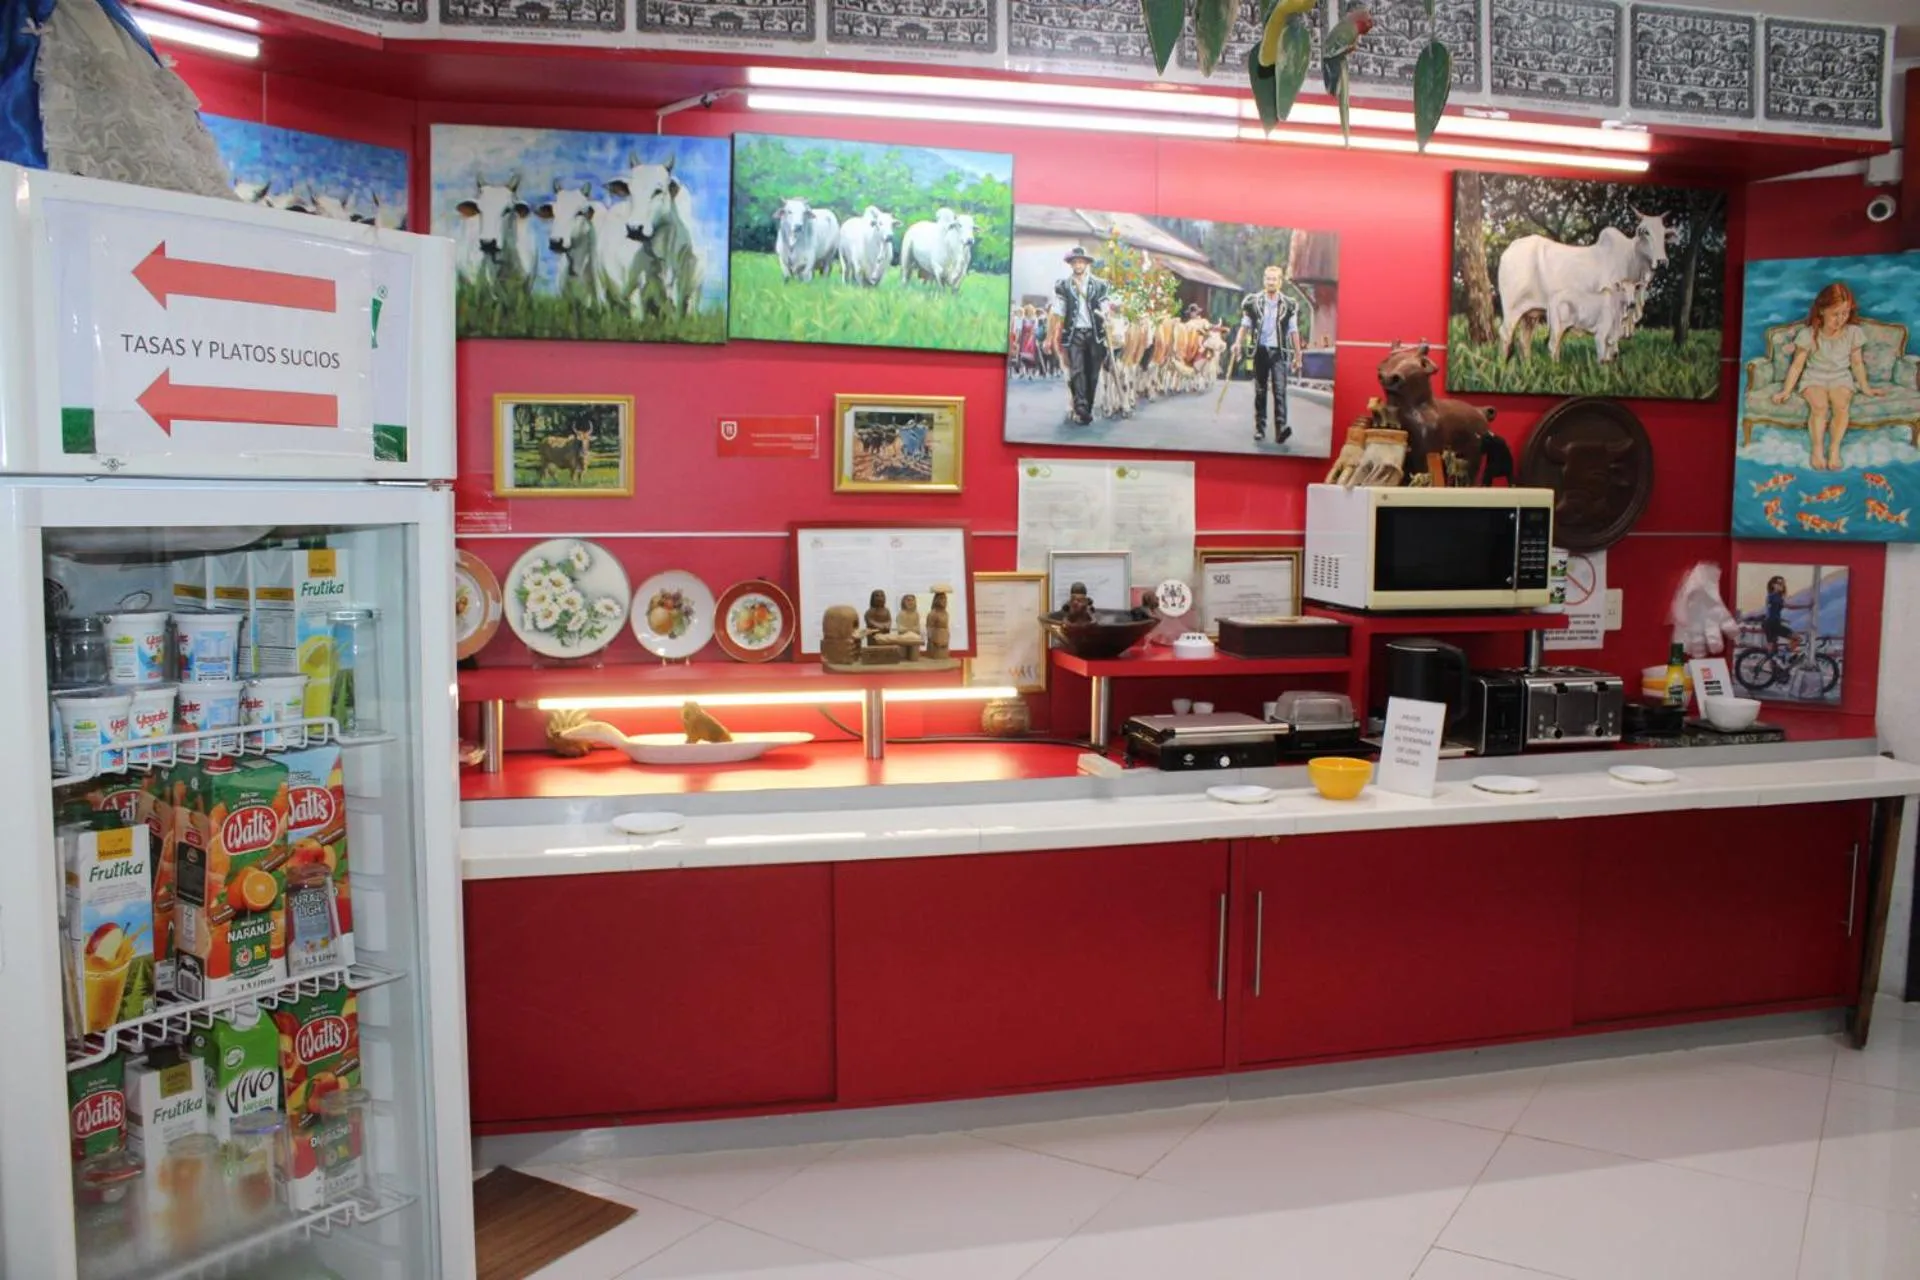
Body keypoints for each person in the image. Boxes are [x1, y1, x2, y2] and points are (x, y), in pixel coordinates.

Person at [1770, 281, 1888, 471]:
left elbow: (1857, 364)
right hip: (1814, 377)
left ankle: (1834, 449)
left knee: (1841, 405)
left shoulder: (1853, 333)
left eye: (1845, 313)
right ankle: (1817, 450)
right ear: (1822, 311)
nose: (1841, 319)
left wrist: (1866, 387)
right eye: (1835, 314)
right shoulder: (1809, 334)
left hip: (1840, 377)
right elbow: (1797, 366)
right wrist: (1786, 390)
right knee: (1820, 406)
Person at [1231, 265, 1302, 444]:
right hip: (1260, 351)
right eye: (1267, 278)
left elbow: (1293, 331)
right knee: (1260, 390)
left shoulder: (1289, 305)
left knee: (1280, 390)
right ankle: (1260, 428)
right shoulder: (1253, 302)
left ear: (1280, 282)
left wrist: (1298, 355)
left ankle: (1280, 429)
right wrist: (1238, 343)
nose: (1270, 282)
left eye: (1274, 279)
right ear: (1264, 280)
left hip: (1279, 352)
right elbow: (1245, 325)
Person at [1048, 245, 1110, 426]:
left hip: (1095, 334)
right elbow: (1059, 310)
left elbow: (1105, 303)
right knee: (1077, 371)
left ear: (1086, 264)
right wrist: (1054, 330)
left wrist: (1106, 312)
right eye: (1075, 262)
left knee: (1092, 373)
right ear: (1071, 265)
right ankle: (1081, 407)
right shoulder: (1064, 285)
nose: (1078, 265)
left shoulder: (1100, 285)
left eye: (1081, 262)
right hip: (1074, 334)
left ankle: (1087, 408)